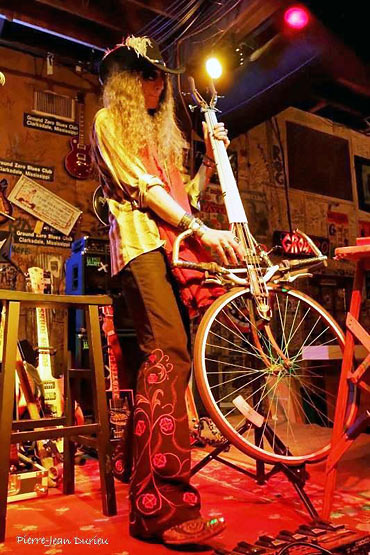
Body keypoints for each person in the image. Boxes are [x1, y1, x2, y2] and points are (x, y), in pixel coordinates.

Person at [91, 36, 245, 546]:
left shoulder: (160, 139)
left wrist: (213, 155)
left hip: (167, 248)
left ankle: (151, 496)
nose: (160, 85)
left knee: (164, 360)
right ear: (128, 83)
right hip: (138, 249)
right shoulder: (108, 122)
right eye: (148, 75)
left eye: (161, 76)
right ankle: (161, 507)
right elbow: (145, 191)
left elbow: (186, 196)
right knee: (170, 354)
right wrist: (200, 231)